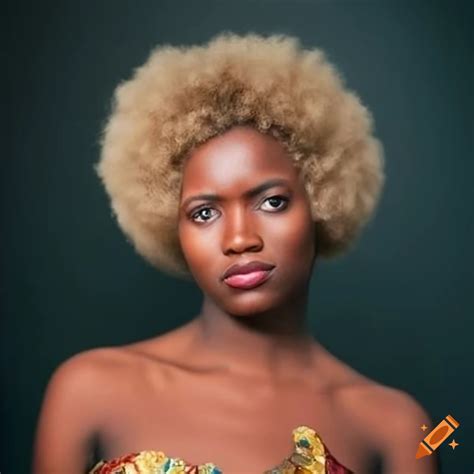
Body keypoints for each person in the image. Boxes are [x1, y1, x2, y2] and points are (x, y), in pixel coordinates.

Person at [33, 33, 438, 474]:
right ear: (172, 223)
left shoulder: (396, 429)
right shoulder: (88, 389)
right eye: (205, 212)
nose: (240, 238)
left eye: (272, 202)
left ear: (324, 200)